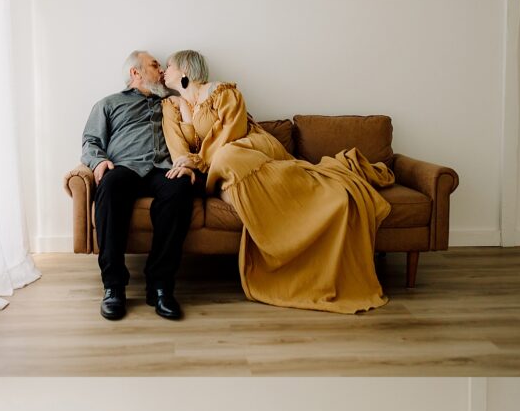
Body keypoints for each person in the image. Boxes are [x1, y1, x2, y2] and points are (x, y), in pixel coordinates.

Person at [161, 50, 393, 313]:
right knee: (226, 165)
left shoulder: (223, 92)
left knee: (228, 155)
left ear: (185, 70)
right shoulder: (170, 107)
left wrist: (200, 160)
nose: (163, 71)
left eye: (168, 66)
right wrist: (187, 163)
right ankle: (287, 230)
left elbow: (231, 133)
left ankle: (315, 194)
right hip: (218, 166)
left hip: (247, 148)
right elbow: (177, 149)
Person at [81, 50, 201, 321]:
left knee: (180, 188)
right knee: (109, 186)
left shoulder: (169, 103)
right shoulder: (108, 104)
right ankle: (113, 287)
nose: (160, 71)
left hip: (161, 169)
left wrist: (188, 162)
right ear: (135, 73)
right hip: (124, 168)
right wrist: (98, 162)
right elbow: (90, 142)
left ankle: (160, 286)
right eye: (154, 65)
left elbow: (197, 134)